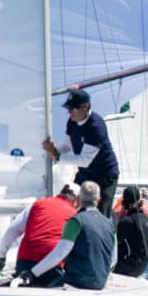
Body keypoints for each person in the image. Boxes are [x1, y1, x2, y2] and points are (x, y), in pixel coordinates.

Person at [18, 181, 117, 290]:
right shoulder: (110, 225)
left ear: (78, 199)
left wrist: (32, 273)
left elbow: (59, 254)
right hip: (99, 284)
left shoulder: (76, 221)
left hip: (75, 283)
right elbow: (113, 259)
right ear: (98, 200)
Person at [42, 89, 120, 217]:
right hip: (85, 173)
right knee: (68, 203)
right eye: (68, 108)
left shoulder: (96, 127)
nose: (70, 112)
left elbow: (84, 160)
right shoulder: (72, 121)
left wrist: (56, 155)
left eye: (73, 108)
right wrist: (52, 150)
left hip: (104, 175)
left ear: (86, 107)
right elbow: (67, 146)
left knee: (100, 214)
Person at [0, 183, 79, 285]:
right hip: (51, 262)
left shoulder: (37, 204)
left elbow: (12, 230)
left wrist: (1, 256)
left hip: (26, 258)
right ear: (75, 199)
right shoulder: (74, 214)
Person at [113, 186, 148, 277]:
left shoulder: (127, 221)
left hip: (128, 267)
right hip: (142, 267)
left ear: (126, 203)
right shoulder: (147, 219)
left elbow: (113, 244)